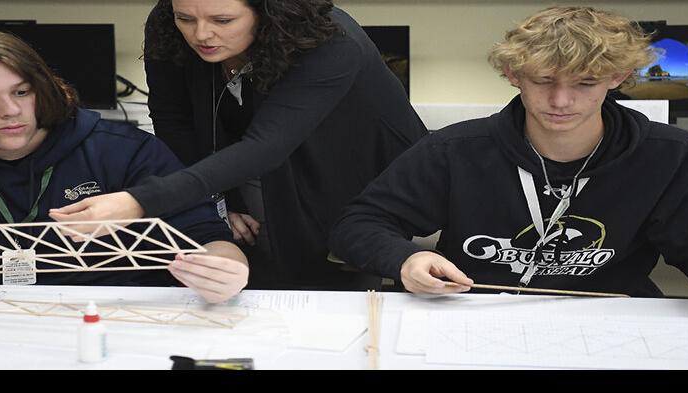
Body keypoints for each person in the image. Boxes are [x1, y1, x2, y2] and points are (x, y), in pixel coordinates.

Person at [329, 6, 688, 310]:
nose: (561, 100)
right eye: (543, 80)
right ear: (514, 75)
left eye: (586, 83)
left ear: (618, 78)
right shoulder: (455, 150)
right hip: (470, 316)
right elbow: (359, 224)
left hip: (613, 318)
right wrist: (405, 259)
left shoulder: (671, 155)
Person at [49, 0, 427, 289]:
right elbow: (173, 120)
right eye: (186, 19)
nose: (201, 35)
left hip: (355, 163)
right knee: (251, 262)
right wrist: (218, 199)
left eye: (223, 20)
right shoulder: (168, 20)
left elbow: (266, 147)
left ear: (266, 11)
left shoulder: (331, 39)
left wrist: (138, 201)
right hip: (258, 157)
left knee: (330, 271)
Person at [0, 30, 248, 304]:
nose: (10, 111)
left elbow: (208, 236)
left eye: (21, 92)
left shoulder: (123, 150)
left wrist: (226, 270)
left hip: (110, 316)